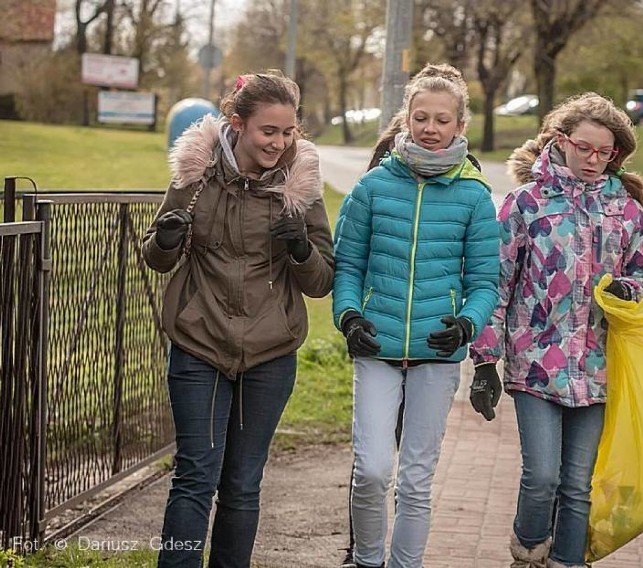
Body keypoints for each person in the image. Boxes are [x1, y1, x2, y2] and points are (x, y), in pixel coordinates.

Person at [142, 70, 334, 568]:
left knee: (243, 483)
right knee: (194, 476)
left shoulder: (301, 185)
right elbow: (158, 257)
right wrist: (164, 239)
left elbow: (320, 281)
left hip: (270, 351)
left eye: (288, 131)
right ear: (238, 123)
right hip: (199, 341)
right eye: (268, 131)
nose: (279, 142)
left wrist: (299, 248)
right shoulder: (196, 172)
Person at [468, 92, 643, 568]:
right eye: (585, 148)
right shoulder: (525, 204)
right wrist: (485, 361)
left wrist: (626, 291)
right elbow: (496, 282)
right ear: (560, 141)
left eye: (605, 152)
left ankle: (567, 561)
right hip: (535, 362)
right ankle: (527, 553)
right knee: (542, 478)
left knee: (578, 483)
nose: (594, 160)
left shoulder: (626, 210)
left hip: (598, 367)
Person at [332, 63, 500, 568]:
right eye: (421, 116)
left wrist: (468, 322)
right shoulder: (372, 189)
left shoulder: (474, 195)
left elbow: (485, 281)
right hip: (377, 345)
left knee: (416, 478)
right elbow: (348, 266)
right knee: (374, 470)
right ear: (406, 119)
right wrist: (349, 316)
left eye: (442, 120)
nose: (431, 127)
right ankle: (366, 560)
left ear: (459, 127)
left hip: (436, 350)